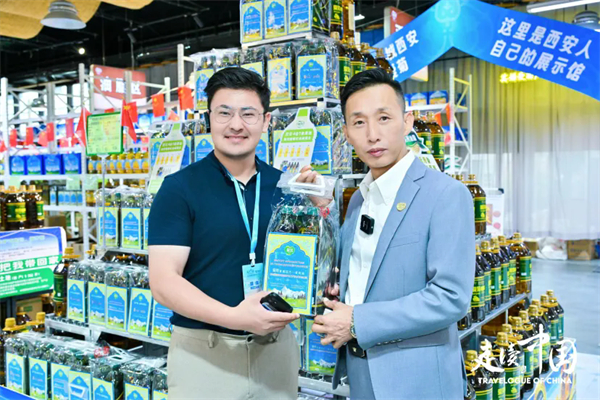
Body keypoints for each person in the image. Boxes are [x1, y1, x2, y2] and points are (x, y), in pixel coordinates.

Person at [148, 67, 313, 399]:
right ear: (209, 119)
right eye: (224, 113)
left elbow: (312, 267)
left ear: (266, 122)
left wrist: (321, 211)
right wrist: (235, 317)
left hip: (275, 351)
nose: (236, 125)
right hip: (205, 355)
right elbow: (164, 281)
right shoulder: (179, 189)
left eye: (248, 114)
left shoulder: (286, 188)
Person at [312, 69, 476, 400]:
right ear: (346, 133)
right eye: (359, 122)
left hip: (417, 381)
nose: (373, 135)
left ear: (407, 122)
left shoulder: (446, 195)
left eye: (384, 118)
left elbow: (450, 298)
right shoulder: (357, 200)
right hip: (360, 372)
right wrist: (323, 212)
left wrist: (357, 321)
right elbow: (354, 274)